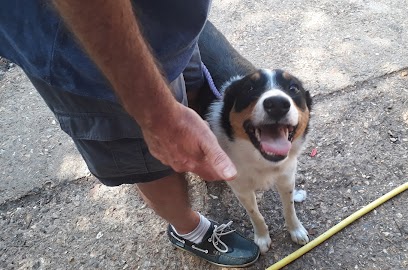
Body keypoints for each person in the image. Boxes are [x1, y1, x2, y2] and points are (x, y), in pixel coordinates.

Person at [0, 0, 260, 267]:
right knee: (148, 159)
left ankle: (192, 154)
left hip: (167, 27)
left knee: (191, 89)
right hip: (91, 51)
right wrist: (155, 114)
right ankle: (188, 231)